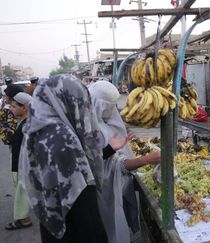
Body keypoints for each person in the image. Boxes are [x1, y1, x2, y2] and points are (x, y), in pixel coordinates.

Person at [19, 74, 130, 243]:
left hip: (54, 223)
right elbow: (81, 202)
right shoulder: (62, 138)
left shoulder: (38, 129)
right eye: (81, 101)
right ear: (68, 101)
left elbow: (72, 167)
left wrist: (108, 150)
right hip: (75, 229)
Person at [88, 80, 160, 243]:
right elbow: (115, 165)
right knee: (110, 226)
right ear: (99, 105)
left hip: (114, 187)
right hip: (104, 190)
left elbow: (117, 148)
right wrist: (147, 159)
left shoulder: (105, 121)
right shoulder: (94, 131)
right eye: (108, 106)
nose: (112, 110)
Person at [4, 92, 33, 230]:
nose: (11, 109)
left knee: (21, 192)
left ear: (25, 108)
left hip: (21, 166)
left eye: (14, 106)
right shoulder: (24, 122)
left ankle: (24, 220)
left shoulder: (28, 125)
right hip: (19, 164)